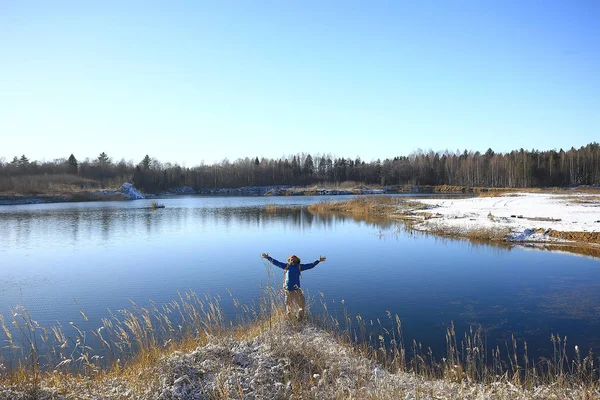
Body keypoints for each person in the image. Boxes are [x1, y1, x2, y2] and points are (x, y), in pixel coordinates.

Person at [262, 253, 326, 320]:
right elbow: (276, 262)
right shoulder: (286, 266)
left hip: (297, 290)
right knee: (289, 308)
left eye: (294, 257)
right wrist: (268, 257)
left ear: (296, 260)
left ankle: (300, 319)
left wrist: (318, 261)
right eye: (291, 258)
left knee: (302, 306)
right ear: (289, 259)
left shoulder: (299, 267)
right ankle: (290, 320)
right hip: (288, 291)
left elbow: (310, 265)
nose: (292, 258)